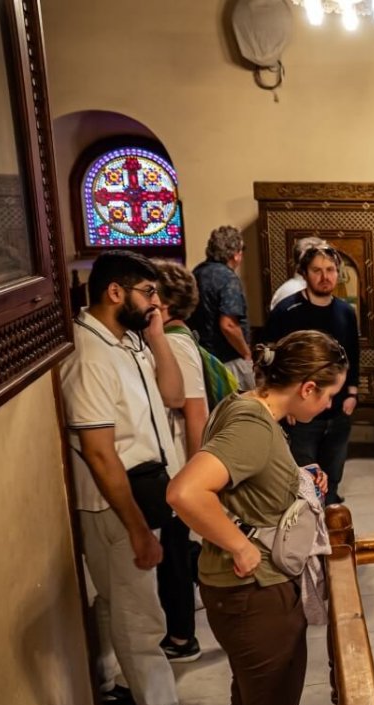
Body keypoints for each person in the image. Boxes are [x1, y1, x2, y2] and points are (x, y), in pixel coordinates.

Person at [168, 331, 345, 705]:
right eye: (328, 395)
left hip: (243, 594)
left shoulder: (245, 406)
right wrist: (241, 546)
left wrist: (299, 479)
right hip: (254, 593)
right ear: (307, 387)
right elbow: (185, 492)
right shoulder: (253, 424)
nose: (329, 406)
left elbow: (247, 483)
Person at [59, 249, 219, 705]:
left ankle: (116, 685)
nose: (157, 303)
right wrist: (134, 529)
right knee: (139, 613)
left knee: (118, 605)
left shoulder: (126, 341)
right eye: (148, 293)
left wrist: (154, 337)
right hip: (114, 503)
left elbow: (172, 394)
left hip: (145, 487)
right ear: (114, 292)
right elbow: (101, 454)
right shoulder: (88, 353)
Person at [264, 241, 361, 504]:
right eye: (317, 270)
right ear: (304, 273)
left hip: (339, 408)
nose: (325, 276)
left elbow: (352, 353)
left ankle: (330, 521)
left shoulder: (345, 312)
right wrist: (286, 404)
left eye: (330, 270)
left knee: (333, 474)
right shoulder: (286, 311)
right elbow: (271, 360)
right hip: (301, 411)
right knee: (304, 476)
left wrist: (352, 392)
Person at [153, 259, 209, 662]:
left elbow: (195, 413)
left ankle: (181, 636)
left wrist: (194, 474)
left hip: (178, 464)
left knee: (176, 551)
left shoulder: (174, 342)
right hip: (177, 465)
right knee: (179, 550)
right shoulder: (171, 338)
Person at [190, 225, 254, 389]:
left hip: (202, 358)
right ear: (236, 254)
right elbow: (229, 325)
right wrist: (246, 353)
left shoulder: (197, 272)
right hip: (228, 360)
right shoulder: (227, 278)